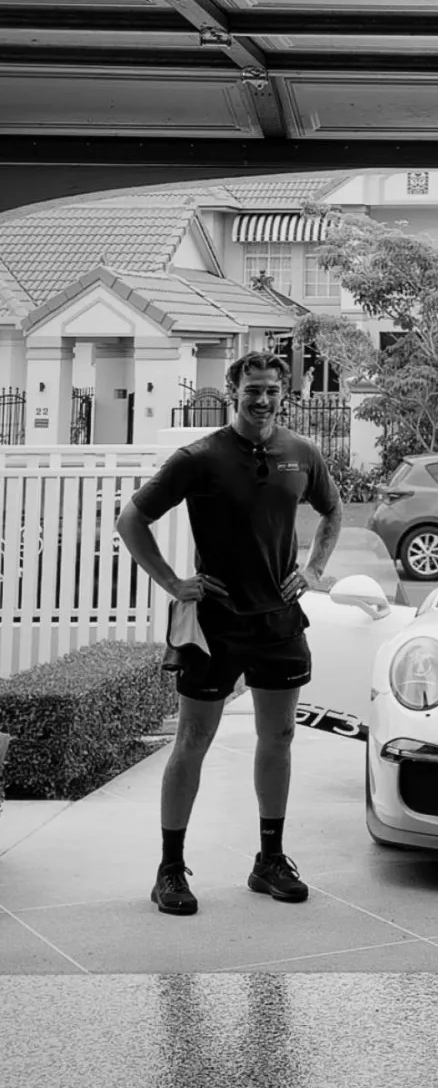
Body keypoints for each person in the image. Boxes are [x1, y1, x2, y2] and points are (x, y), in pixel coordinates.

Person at [117, 351, 343, 916]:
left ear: (283, 393)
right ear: (232, 392)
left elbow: (333, 511)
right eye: (251, 391)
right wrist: (173, 582)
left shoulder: (301, 453)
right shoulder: (200, 457)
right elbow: (131, 519)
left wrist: (312, 571)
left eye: (270, 390)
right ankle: (170, 870)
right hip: (213, 622)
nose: (261, 399)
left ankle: (269, 861)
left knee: (280, 737)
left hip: (279, 620)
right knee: (193, 740)